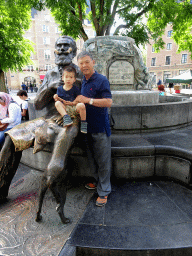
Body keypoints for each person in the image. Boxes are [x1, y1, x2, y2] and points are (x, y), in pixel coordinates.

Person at [74, 51, 113, 207]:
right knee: (91, 159)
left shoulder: (102, 80)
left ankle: (104, 192)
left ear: (93, 62)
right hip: (85, 128)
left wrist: (88, 100)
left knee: (103, 161)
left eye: (87, 62)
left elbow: (108, 102)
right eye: (81, 63)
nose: (84, 65)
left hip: (100, 128)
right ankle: (97, 182)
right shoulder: (82, 81)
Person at [53, 66, 87, 133]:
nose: (68, 79)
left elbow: (79, 97)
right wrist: (56, 98)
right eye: (66, 77)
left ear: (74, 79)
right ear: (62, 78)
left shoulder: (75, 88)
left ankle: (84, 123)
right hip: (65, 109)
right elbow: (58, 101)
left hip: (74, 107)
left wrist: (73, 103)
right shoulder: (59, 89)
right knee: (57, 103)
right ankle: (66, 117)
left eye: (71, 77)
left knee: (81, 105)